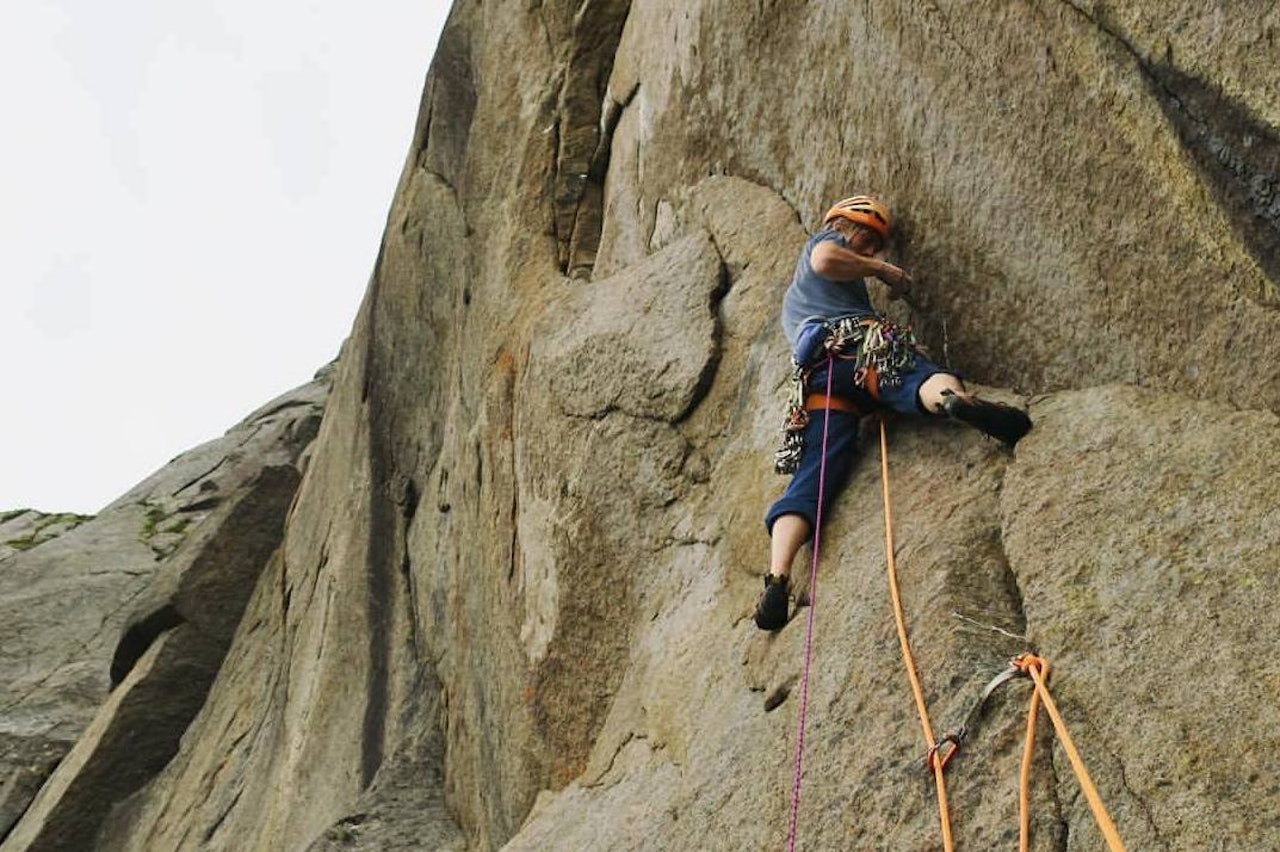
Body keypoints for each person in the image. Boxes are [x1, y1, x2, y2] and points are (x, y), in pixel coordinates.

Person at [754, 195, 1032, 631]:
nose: (867, 250)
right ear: (844, 225)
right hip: (861, 348)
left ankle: (778, 576)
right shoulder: (823, 244)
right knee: (916, 375)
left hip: (822, 383)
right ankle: (951, 400)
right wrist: (883, 271)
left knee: (812, 476)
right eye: (865, 240)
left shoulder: (796, 305)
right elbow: (828, 258)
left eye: (873, 247)